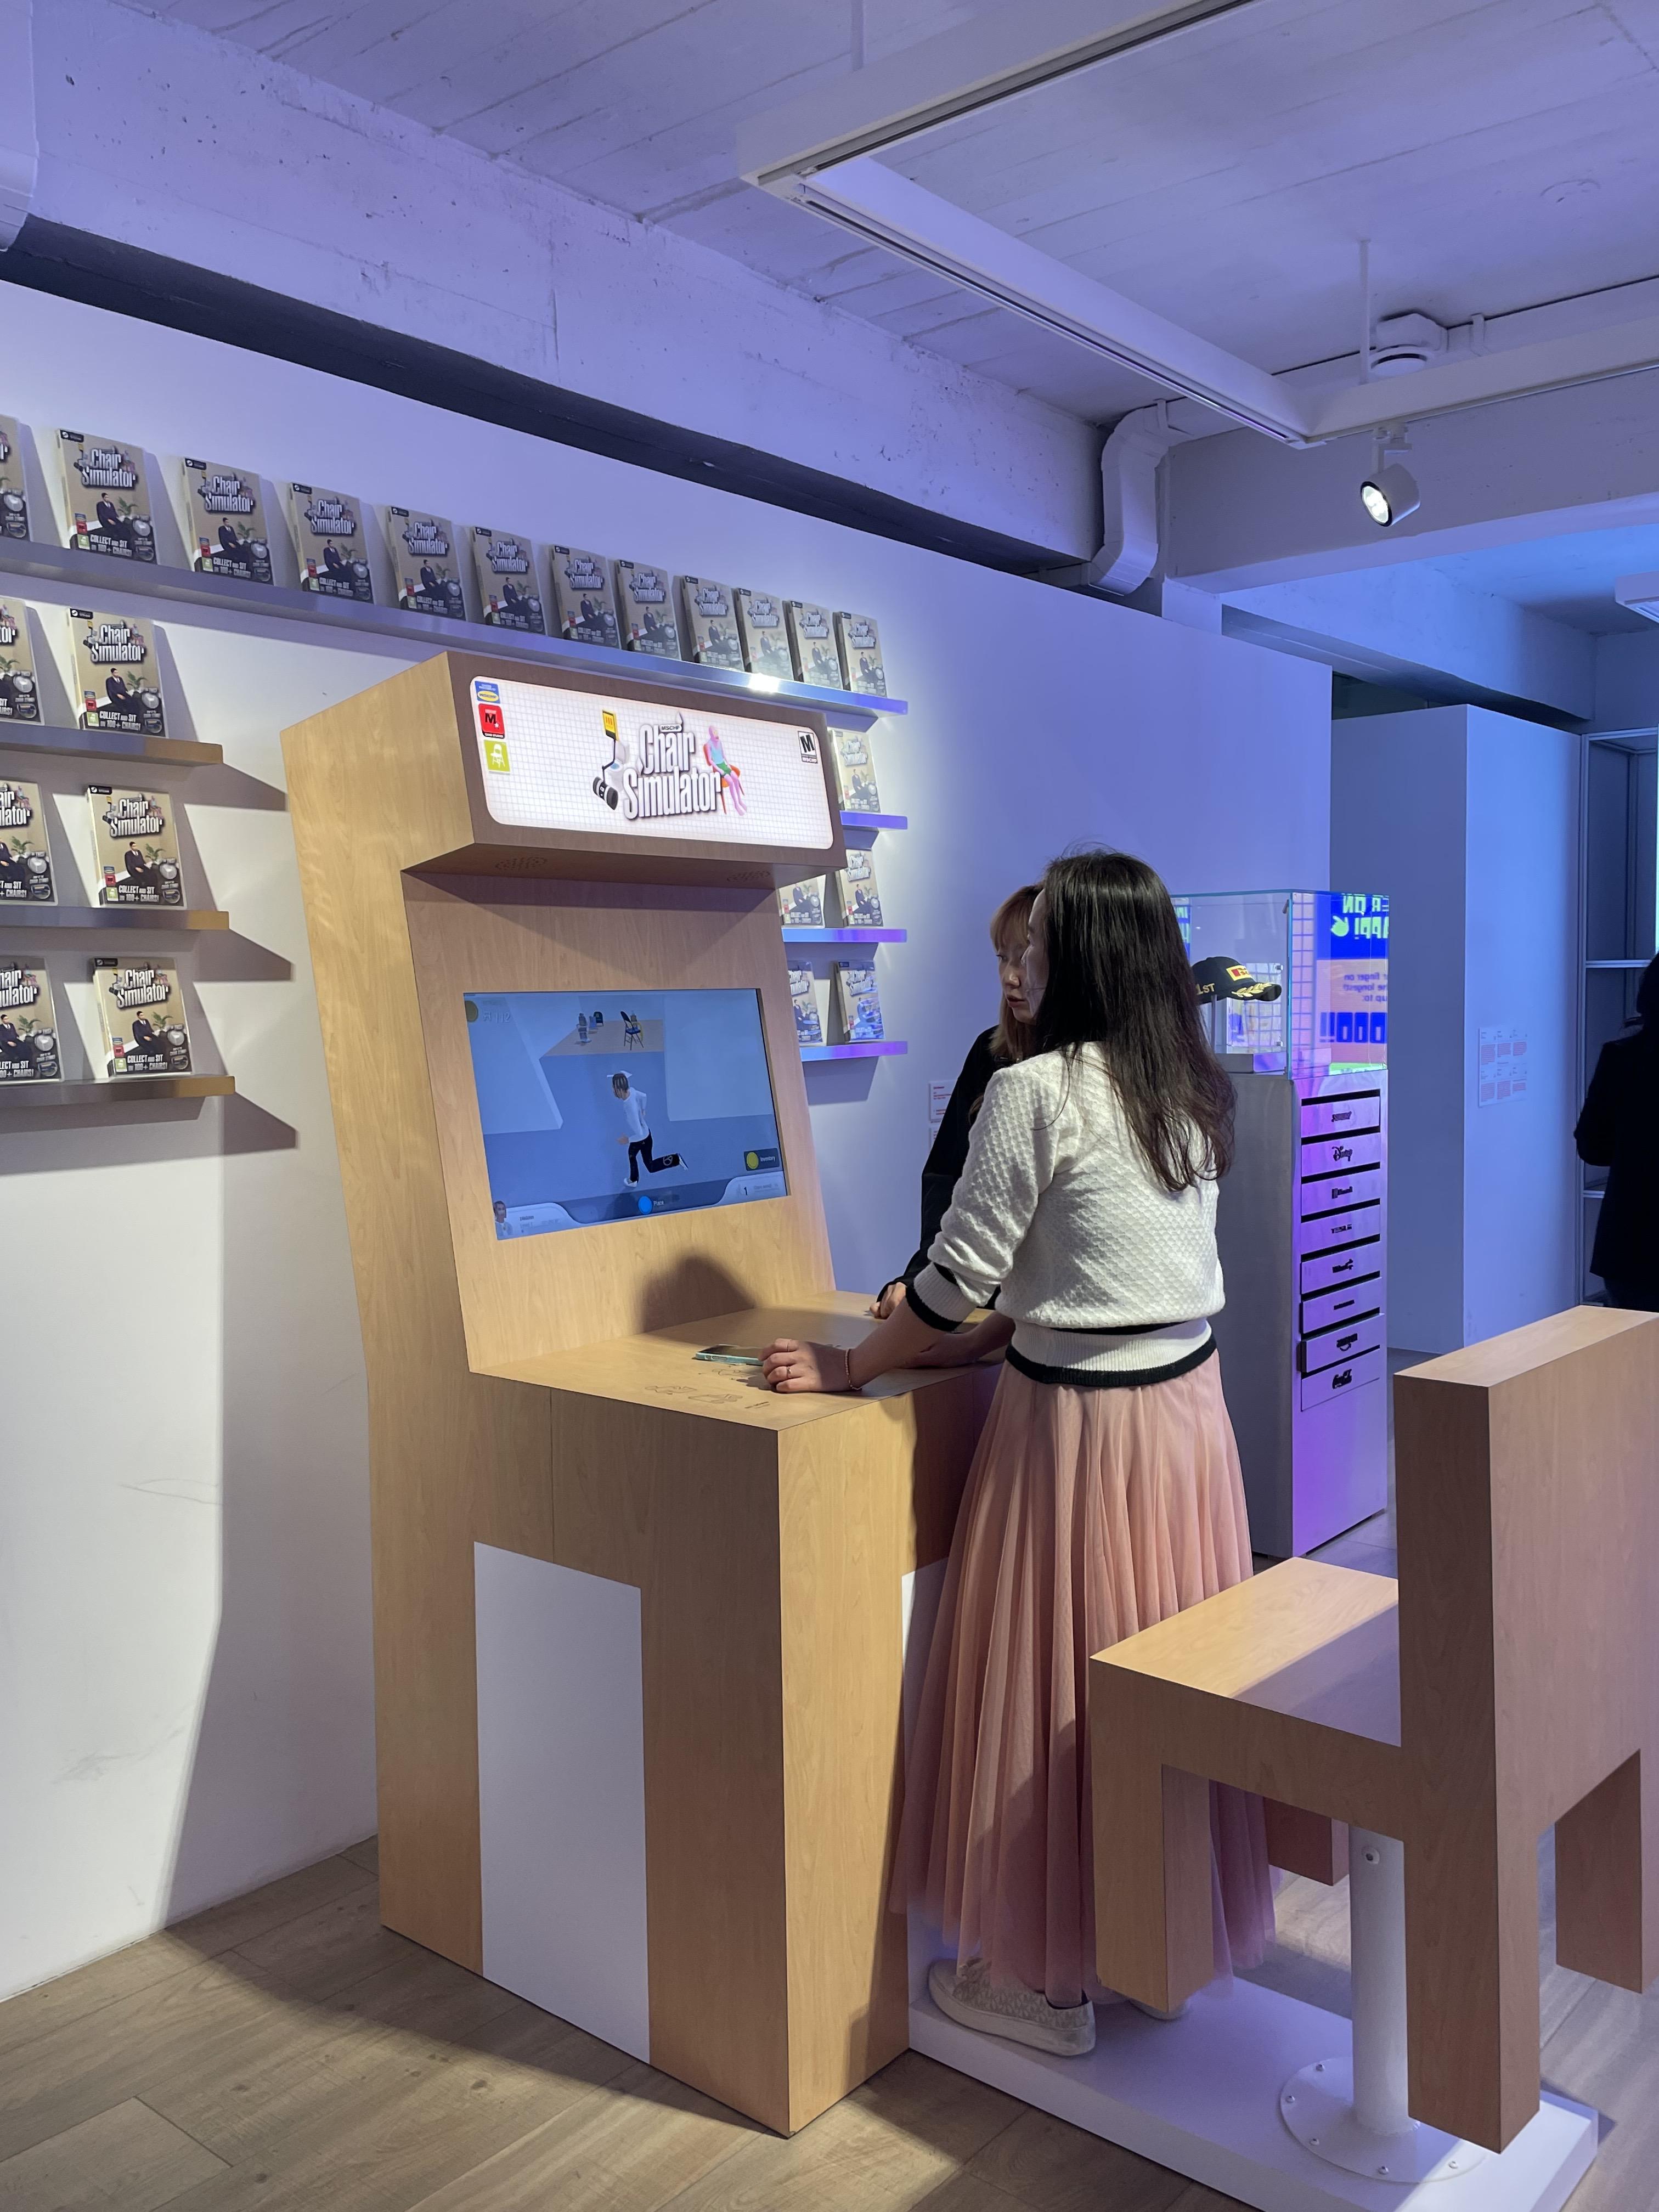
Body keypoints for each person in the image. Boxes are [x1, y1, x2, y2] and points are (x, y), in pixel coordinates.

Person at [760, 849, 1271, 2057]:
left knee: (1055, 1691)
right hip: (1189, 1423)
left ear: (1078, 958)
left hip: (1075, 1434)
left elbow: (953, 1282)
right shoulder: (1187, 1088)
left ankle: (1040, 1981)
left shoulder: (1034, 1090)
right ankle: (1151, 1943)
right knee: (1166, 1682)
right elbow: (1105, 1272)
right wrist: (972, 1329)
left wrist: (853, 1366)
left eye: (1033, 945)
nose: (1017, 965)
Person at [872, 884, 1040, 1319]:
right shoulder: (990, 1051)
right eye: (1002, 957)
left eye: (1024, 957)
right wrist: (918, 1279)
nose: (1010, 977)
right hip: (972, 1298)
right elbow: (947, 1177)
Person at [1576, 953, 1659, 1310]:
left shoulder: (1622, 1056)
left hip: (1633, 1243)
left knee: (1633, 1344)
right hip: (1632, 1250)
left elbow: (1593, 1148)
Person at [611, 1071, 684, 1184]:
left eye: (613, 1088)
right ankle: (634, 1179)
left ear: (618, 1089)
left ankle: (675, 1159)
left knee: (650, 1166)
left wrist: (628, 1140)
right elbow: (644, 1096)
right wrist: (643, 1110)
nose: (612, 1090)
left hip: (643, 1139)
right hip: (646, 1134)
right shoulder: (632, 1091)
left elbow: (640, 1135)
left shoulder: (631, 1109)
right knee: (632, 1155)